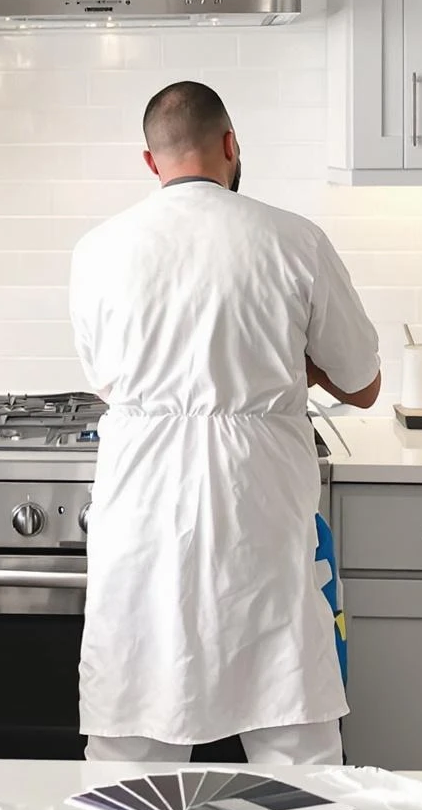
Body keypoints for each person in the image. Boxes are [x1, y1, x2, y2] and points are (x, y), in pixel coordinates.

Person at [68, 80, 382, 765]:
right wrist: (301, 364)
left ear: (151, 162)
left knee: (132, 735)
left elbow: (106, 379)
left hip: (142, 501)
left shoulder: (97, 250)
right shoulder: (295, 240)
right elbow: (363, 385)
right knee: (292, 736)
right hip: (258, 502)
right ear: (231, 145)